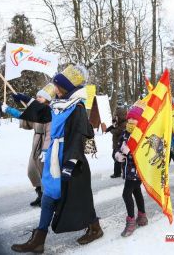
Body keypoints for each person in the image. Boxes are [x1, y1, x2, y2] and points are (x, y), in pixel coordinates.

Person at [10, 65, 103, 253]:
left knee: (76, 198)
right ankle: (39, 239)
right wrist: (27, 100)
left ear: (66, 87)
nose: (55, 88)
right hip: (54, 157)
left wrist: (70, 164)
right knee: (49, 196)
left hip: (70, 159)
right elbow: (43, 113)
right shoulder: (59, 104)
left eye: (58, 85)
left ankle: (95, 228)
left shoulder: (76, 107)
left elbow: (79, 135)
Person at [2, 83, 55, 206]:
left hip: (44, 146)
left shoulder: (50, 112)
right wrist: (10, 111)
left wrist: (46, 150)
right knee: (32, 171)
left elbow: (49, 133)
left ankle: (47, 198)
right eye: (36, 97)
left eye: (40, 97)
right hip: (36, 144)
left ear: (47, 99)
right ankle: (40, 194)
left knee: (43, 173)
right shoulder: (37, 111)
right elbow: (27, 122)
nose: (37, 99)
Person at [114, 101, 148, 237]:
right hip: (127, 170)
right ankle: (142, 216)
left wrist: (131, 151)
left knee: (126, 194)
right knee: (136, 191)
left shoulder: (142, 134)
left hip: (137, 171)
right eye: (130, 118)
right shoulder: (125, 133)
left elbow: (145, 153)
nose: (131, 120)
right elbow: (118, 147)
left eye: (134, 118)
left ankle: (131, 221)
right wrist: (117, 154)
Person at [106, 107, 127, 178]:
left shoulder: (124, 124)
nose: (115, 117)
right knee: (116, 157)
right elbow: (115, 127)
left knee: (116, 157)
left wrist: (111, 130)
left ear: (121, 116)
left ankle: (117, 173)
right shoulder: (120, 123)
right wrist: (112, 126)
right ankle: (121, 170)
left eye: (116, 116)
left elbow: (117, 131)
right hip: (116, 144)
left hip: (120, 145)